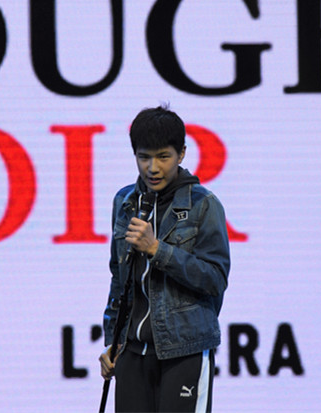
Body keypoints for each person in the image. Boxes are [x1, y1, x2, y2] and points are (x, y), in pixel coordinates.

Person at [99, 105, 231, 413]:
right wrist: (113, 340)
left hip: (184, 349)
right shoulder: (124, 201)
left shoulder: (203, 205)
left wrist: (157, 249)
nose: (152, 168)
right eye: (144, 157)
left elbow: (214, 279)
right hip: (132, 350)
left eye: (163, 156)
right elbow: (119, 278)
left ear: (181, 154)